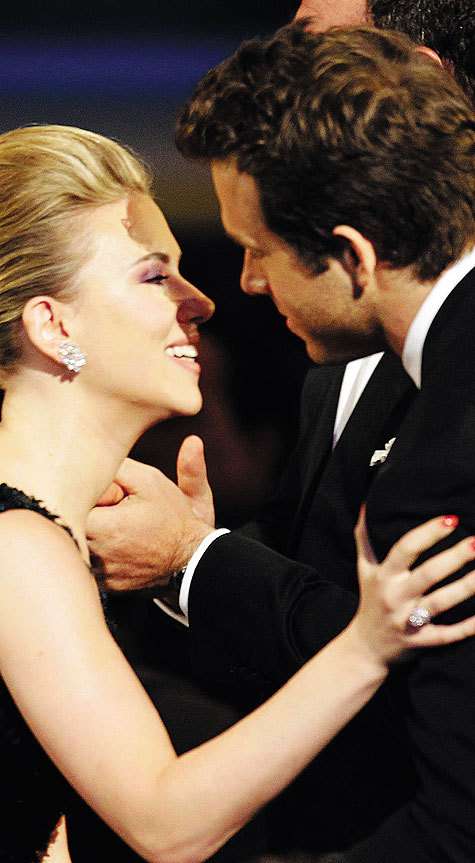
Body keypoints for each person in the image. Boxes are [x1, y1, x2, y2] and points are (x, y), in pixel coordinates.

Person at [2, 122, 473, 863]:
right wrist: (365, 644)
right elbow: (165, 824)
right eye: (154, 276)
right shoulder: (18, 547)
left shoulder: (40, 542)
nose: (202, 302)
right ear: (51, 323)